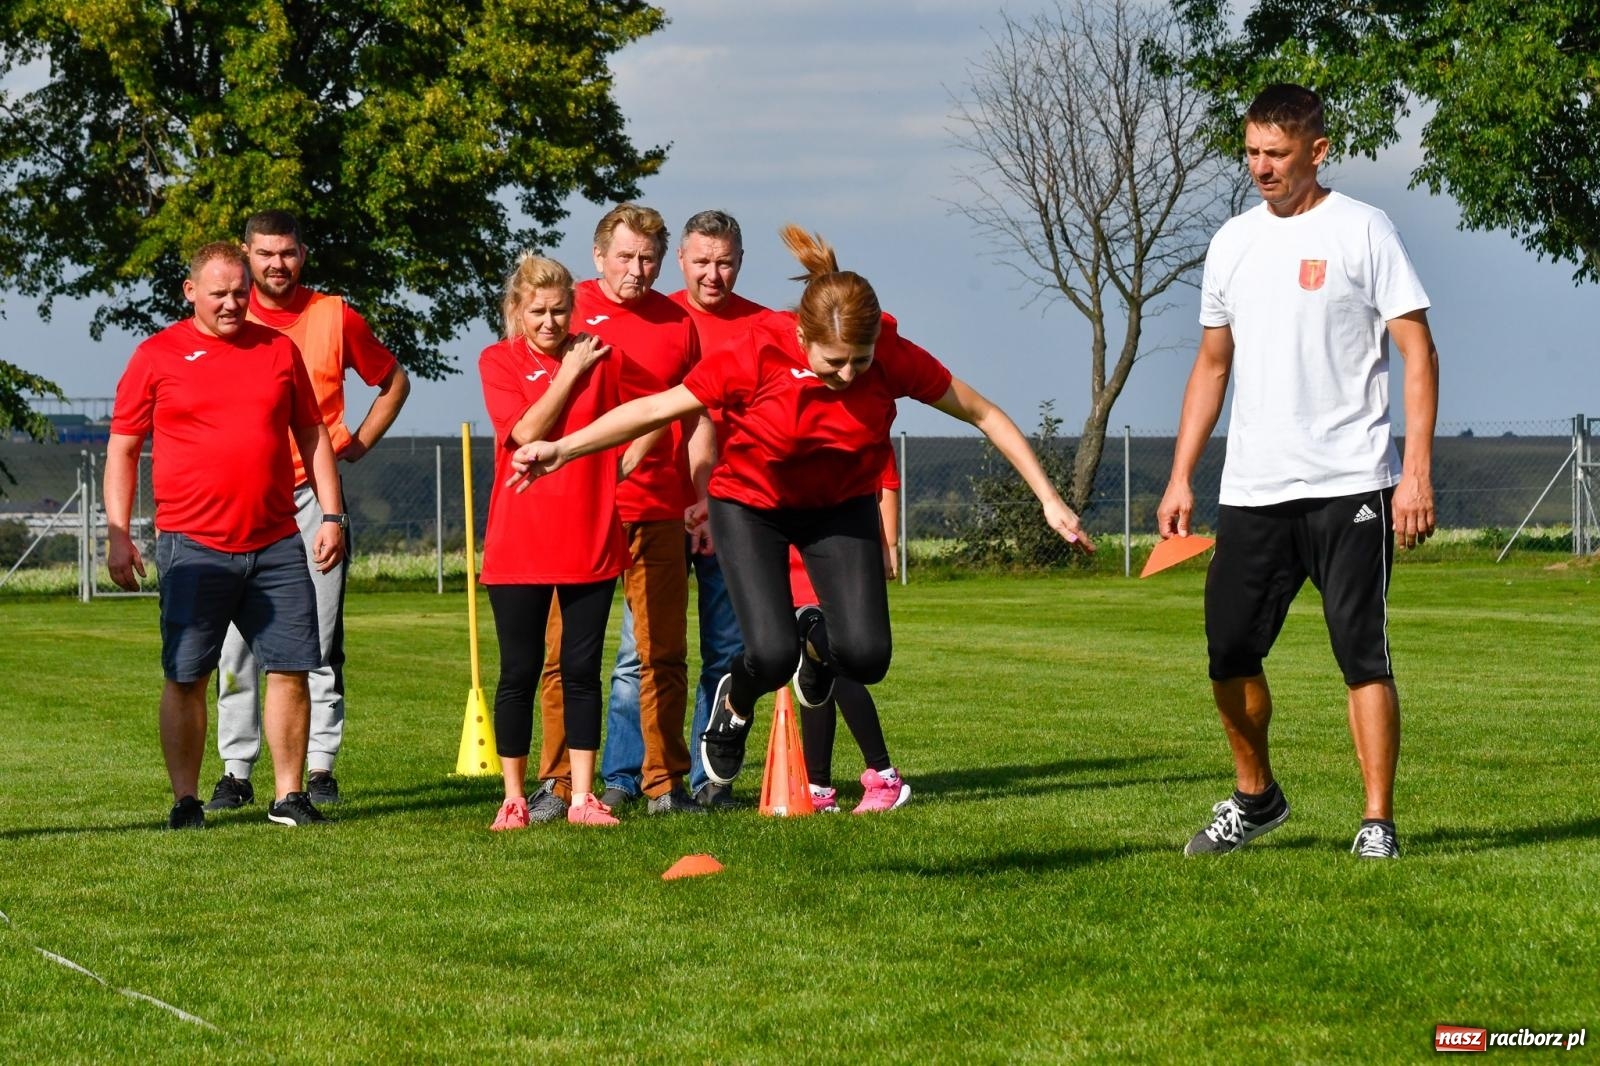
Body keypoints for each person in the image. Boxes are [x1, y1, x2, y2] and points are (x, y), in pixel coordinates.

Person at [511, 224, 1095, 790]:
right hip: (752, 506)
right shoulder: (754, 351)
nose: (846, 376)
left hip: (839, 507)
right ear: (801, 338)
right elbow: (654, 409)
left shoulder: (891, 352)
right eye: (832, 362)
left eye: (858, 363)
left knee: (866, 658)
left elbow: (983, 413)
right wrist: (563, 448)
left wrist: (1048, 498)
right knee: (766, 654)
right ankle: (732, 705)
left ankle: (817, 645)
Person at [1156, 84, 1439, 860]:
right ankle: (1256, 798)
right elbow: (1212, 368)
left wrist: (1414, 472)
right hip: (1253, 489)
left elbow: (1417, 351)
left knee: (1361, 651)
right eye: (1250, 152)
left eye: (1275, 154)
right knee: (1228, 653)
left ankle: (1376, 821)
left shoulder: (1364, 231)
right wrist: (1182, 476)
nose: (1260, 167)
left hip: (1352, 481)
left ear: (1317, 151)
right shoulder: (1231, 243)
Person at [104, 242, 345, 829]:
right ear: (191, 293)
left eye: (241, 291)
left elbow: (313, 435)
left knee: (292, 668)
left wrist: (332, 515)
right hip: (192, 546)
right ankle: (186, 802)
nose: (234, 303)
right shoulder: (156, 356)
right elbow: (124, 447)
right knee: (187, 676)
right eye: (220, 294)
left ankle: (289, 797)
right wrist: (117, 535)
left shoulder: (277, 351)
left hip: (277, 541)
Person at [205, 209, 410, 812]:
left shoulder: (334, 315)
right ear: (247, 255)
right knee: (235, 646)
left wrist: (358, 445)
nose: (276, 264)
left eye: (287, 252)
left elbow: (393, 381)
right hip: (239, 501)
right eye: (265, 253)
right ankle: (236, 770)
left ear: (303, 255)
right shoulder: (226, 316)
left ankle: (319, 767)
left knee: (316, 639)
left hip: (311, 499)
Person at [535, 204, 708, 818]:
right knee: (563, 655)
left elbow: (698, 410)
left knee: (663, 651)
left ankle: (665, 783)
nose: (639, 269)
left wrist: (699, 494)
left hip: (658, 508)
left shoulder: (677, 322)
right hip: (577, 510)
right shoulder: (566, 309)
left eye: (650, 259)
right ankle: (558, 783)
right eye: (627, 256)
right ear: (598, 255)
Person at [603, 209, 766, 810]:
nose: (713, 273)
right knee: (637, 654)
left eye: (724, 262)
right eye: (702, 261)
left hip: (737, 510)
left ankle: (709, 778)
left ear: (740, 262)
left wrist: (711, 500)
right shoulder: (661, 316)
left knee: (726, 652)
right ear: (682, 262)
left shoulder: (765, 326)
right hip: (657, 506)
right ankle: (626, 775)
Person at [477, 255, 629, 829]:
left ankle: (583, 798)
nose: (550, 321)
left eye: (560, 309)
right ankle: (514, 797)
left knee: (582, 668)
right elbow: (525, 431)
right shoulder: (497, 361)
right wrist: (569, 372)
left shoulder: (604, 360)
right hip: (519, 544)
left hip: (590, 537)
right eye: (537, 311)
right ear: (516, 311)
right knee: (519, 670)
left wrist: (622, 470)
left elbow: (638, 419)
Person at [795, 453, 910, 814]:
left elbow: (885, 479)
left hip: (832, 561)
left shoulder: (850, 421)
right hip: (789, 559)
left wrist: (888, 545)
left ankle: (885, 776)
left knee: (837, 660)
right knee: (813, 674)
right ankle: (819, 789)